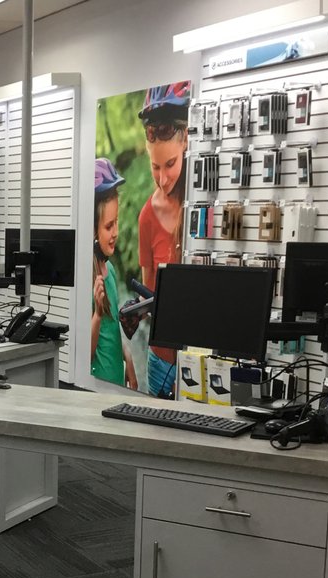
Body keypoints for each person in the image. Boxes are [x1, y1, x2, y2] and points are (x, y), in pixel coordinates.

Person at [136, 81, 190, 398]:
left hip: (203, 360)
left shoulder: (200, 209)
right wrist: (136, 309)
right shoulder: (147, 216)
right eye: (155, 167)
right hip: (161, 361)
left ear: (185, 142)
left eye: (170, 164)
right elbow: (148, 294)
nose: (163, 178)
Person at [92, 158, 138, 389]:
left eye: (117, 222)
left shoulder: (109, 269)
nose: (116, 232)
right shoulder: (87, 280)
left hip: (115, 382)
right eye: (109, 226)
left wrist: (126, 356)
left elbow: (111, 329)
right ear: (92, 229)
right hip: (97, 386)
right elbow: (84, 354)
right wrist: (97, 314)